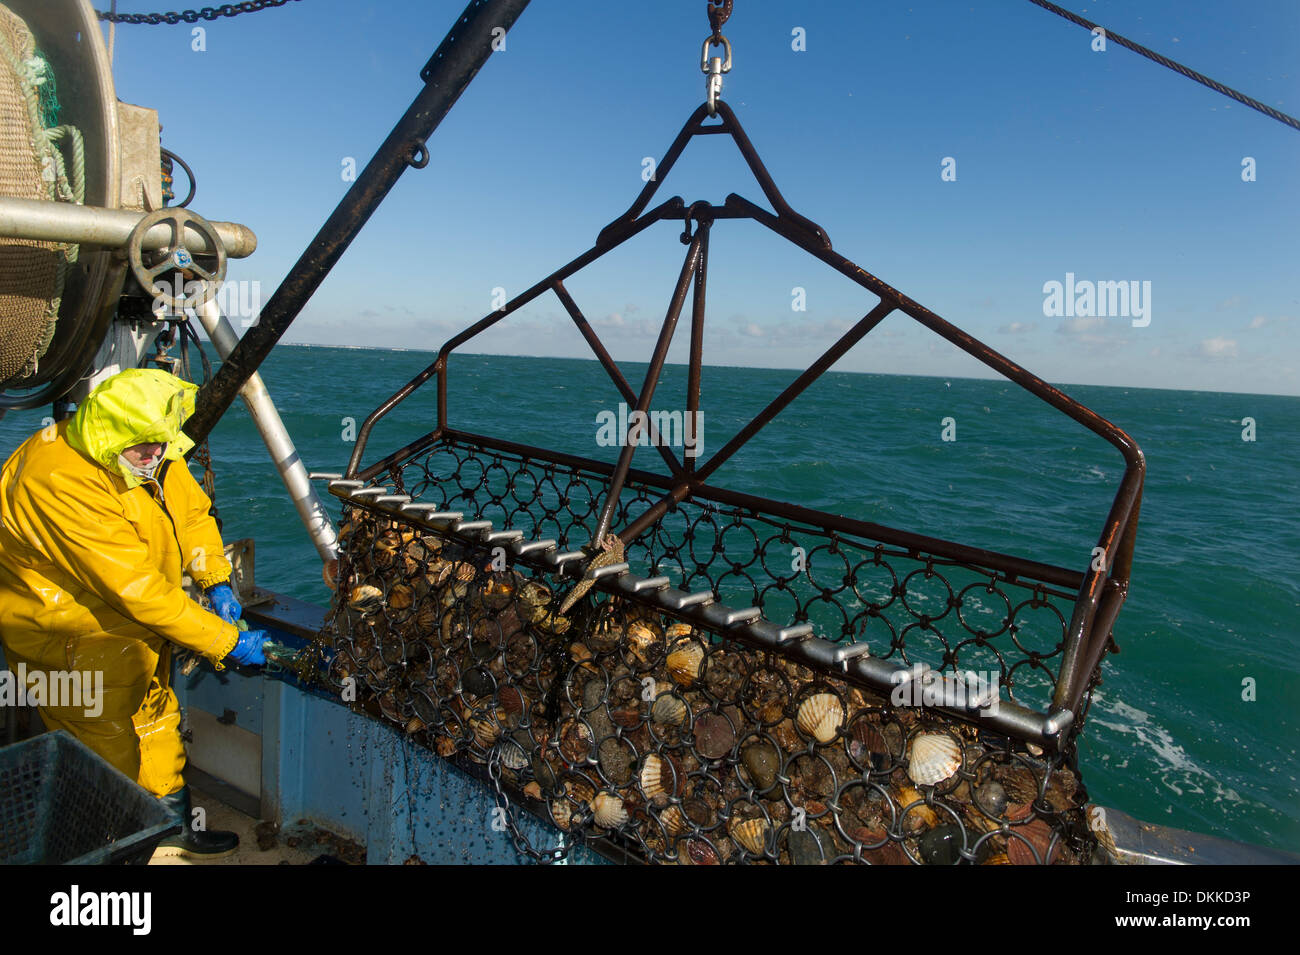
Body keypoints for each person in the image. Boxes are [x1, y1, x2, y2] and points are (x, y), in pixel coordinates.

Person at [0, 368, 270, 858]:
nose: (156, 456)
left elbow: (190, 514)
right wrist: (225, 641)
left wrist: (217, 581)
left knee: (157, 724)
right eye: (144, 447)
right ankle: (107, 860)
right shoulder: (57, 478)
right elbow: (137, 590)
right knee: (108, 759)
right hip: (70, 645)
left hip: (136, 635)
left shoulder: (148, 446)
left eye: (160, 445)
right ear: (110, 434)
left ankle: (169, 829)